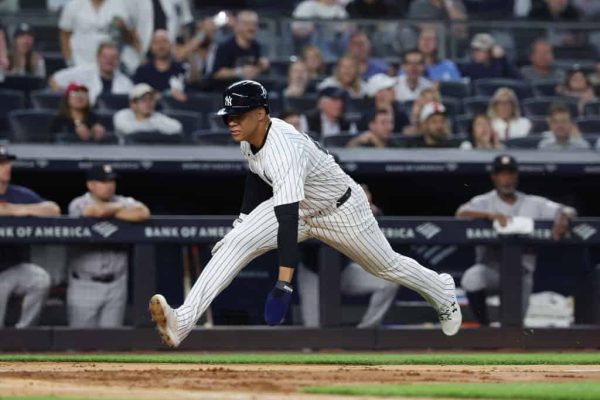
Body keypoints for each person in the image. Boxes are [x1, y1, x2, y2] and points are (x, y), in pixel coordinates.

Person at [149, 80, 462, 347]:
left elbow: (287, 220)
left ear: (260, 114)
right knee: (234, 243)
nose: (231, 121)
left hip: (339, 210)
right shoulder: (249, 137)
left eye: (238, 115)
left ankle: (441, 289)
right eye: (227, 116)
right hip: (298, 207)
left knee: (386, 267)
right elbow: (256, 177)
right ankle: (182, 322)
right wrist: (241, 225)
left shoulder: (283, 149)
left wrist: (284, 283)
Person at [456, 154, 576, 326]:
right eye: (502, 174)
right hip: (491, 270)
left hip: (521, 275)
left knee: (515, 327)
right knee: (472, 279)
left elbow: (568, 210)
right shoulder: (484, 201)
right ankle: (484, 328)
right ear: (494, 177)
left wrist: (564, 216)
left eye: (510, 173)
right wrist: (489, 215)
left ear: (516, 176)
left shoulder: (533, 203)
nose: (507, 179)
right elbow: (461, 213)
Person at [298, 183, 398, 328]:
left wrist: (372, 211)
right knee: (313, 331)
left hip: (343, 270)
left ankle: (365, 332)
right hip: (313, 272)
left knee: (389, 283)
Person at [68, 164, 150, 328]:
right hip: (85, 283)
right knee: (80, 344)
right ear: (90, 185)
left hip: (116, 284)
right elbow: (95, 212)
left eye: (111, 181)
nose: (109, 185)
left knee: (112, 345)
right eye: (103, 181)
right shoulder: (78, 203)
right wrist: (122, 210)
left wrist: (110, 210)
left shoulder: (122, 200)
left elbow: (143, 213)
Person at [0, 146, 60, 328]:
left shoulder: (19, 194)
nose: (7, 167)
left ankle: (23, 332)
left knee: (39, 278)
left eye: (7, 162)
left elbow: (53, 209)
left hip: (11, 267)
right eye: (1, 163)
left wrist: (14, 210)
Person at [49, 41, 134, 106]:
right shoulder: (83, 72)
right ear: (98, 58)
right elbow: (54, 80)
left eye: (113, 57)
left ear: (118, 60)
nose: (109, 61)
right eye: (105, 57)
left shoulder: (126, 83)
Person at [59, 0, 138, 67]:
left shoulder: (120, 6)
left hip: (111, 66)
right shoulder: (74, 4)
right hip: (80, 63)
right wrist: (69, 61)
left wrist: (123, 29)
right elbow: (64, 35)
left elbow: (132, 40)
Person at [122, 0, 193, 73]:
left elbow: (185, 24)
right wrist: (140, 56)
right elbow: (125, 27)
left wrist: (186, 51)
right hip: (138, 60)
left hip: (170, 58)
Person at [211, 10, 269, 84]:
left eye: (254, 24)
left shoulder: (256, 46)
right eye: (246, 24)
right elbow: (216, 74)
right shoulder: (225, 47)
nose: (251, 28)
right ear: (237, 25)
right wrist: (238, 72)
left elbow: (256, 69)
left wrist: (262, 66)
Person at [133, 30, 187, 102]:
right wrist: (167, 94)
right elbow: (139, 96)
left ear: (171, 45)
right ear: (151, 47)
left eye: (164, 41)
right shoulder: (142, 71)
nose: (161, 46)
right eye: (156, 42)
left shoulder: (181, 68)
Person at [113, 83, 182, 138]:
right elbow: (128, 129)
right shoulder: (122, 115)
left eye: (151, 99)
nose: (148, 103)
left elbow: (177, 127)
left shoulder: (157, 117)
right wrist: (156, 129)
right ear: (133, 104)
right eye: (144, 100)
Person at [176, 17, 218, 86]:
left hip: (215, 88)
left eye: (210, 31)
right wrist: (203, 33)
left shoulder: (216, 48)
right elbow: (179, 56)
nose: (207, 33)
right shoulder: (190, 49)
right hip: (193, 88)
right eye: (199, 30)